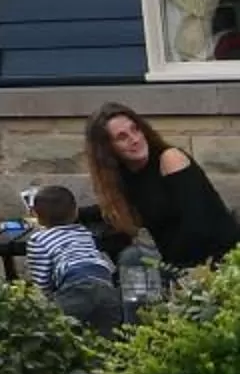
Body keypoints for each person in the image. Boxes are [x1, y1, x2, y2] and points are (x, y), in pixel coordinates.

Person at [85, 103, 240, 270]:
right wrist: (69, 216)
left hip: (217, 263)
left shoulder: (170, 159)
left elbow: (196, 226)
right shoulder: (122, 177)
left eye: (135, 129)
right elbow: (108, 211)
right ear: (107, 148)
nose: (135, 139)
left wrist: (169, 271)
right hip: (180, 266)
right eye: (122, 137)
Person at [24, 184, 121, 332]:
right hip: (105, 285)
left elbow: (42, 283)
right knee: (107, 336)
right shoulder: (84, 232)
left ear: (37, 216)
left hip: (75, 287)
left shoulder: (39, 240)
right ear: (76, 212)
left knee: (59, 331)